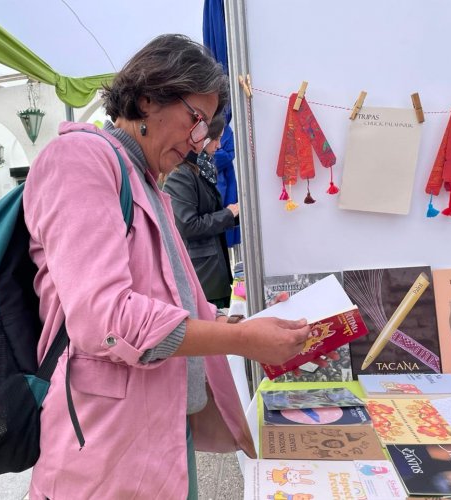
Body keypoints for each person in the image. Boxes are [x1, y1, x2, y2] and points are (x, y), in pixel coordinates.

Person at [23, 34, 314, 499]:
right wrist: (239, 341)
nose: (200, 142)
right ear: (147, 96)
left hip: (164, 431)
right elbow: (106, 320)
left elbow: (175, 302)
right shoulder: (79, 159)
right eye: (195, 120)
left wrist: (245, 323)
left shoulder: (147, 181)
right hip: (105, 445)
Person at [163, 114, 239, 308]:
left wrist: (236, 216)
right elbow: (188, 225)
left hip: (210, 273)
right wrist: (229, 214)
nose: (219, 146)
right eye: (217, 139)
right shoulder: (180, 174)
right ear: (203, 140)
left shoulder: (201, 169)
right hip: (201, 276)